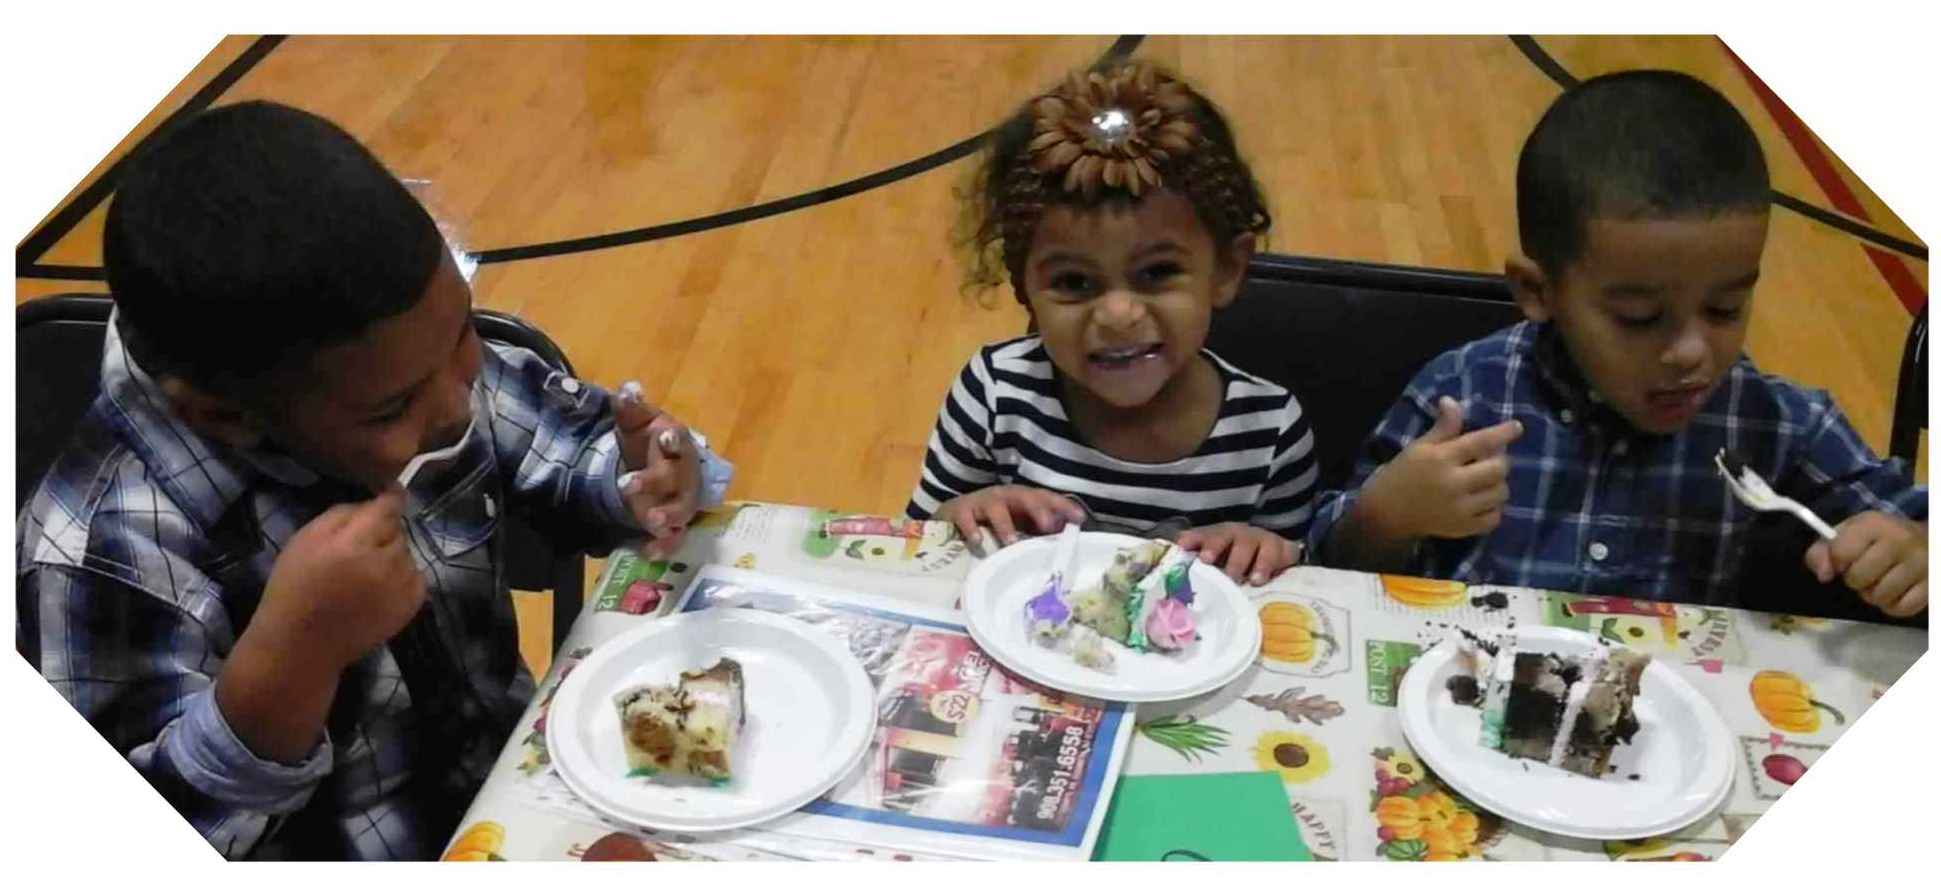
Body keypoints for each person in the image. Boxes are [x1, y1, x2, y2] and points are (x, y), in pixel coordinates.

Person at [15, 101, 734, 859]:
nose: (457, 402)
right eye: (394, 408)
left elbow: (565, 447)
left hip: (514, 796)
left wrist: (635, 475)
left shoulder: (405, 362)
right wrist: (292, 659)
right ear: (224, 415)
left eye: (463, 330)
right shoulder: (101, 552)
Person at [1308, 70, 1926, 615]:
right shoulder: (1464, 395)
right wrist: (1385, 517)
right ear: (1537, 291)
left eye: (1724, 309)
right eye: (1640, 318)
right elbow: (1327, 566)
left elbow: (1911, 521)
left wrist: (1914, 551)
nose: (1692, 352)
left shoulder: (1773, 421)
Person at [907, 61, 1317, 586]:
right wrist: (958, 518)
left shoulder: (1269, 433)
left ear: (1226, 270)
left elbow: (1299, 591)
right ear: (1023, 285)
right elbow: (913, 543)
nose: (1118, 315)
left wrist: (1267, 553)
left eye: (1157, 272)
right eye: (1075, 282)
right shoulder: (993, 395)